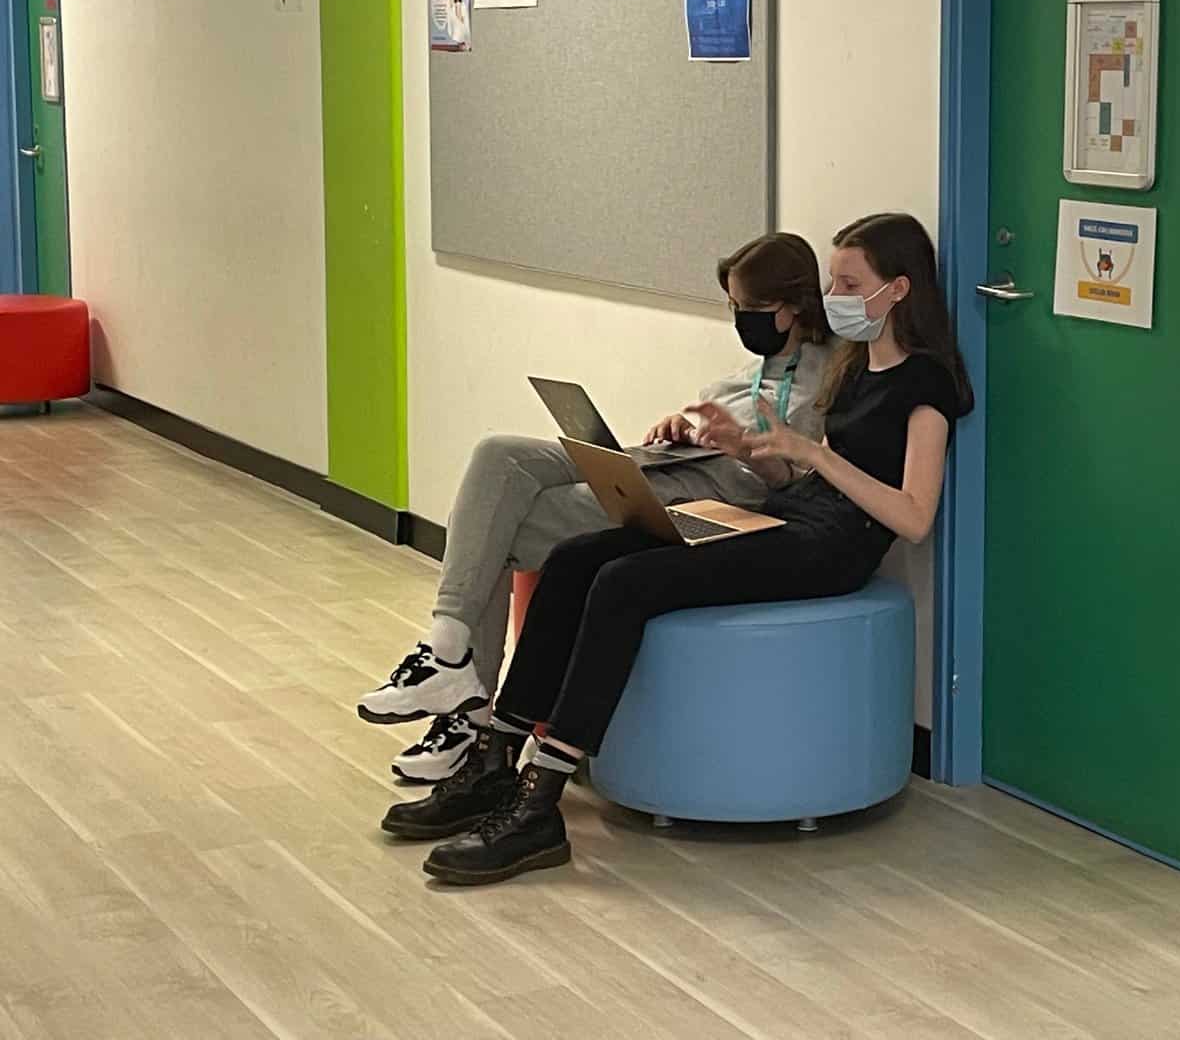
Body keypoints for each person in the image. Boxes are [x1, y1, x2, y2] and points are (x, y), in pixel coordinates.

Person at [386, 212, 972, 884]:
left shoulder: (926, 385)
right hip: (787, 514)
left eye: (849, 283)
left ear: (898, 289)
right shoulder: (854, 366)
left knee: (626, 583)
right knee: (578, 558)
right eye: (833, 280)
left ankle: (540, 799)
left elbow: (914, 516)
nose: (834, 296)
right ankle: (495, 757)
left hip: (832, 548)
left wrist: (815, 455)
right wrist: (759, 452)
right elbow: (800, 480)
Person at [356, 233, 835, 783]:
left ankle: (469, 718)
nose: (739, 319)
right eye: (732, 306)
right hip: (665, 463)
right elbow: (711, 423)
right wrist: (680, 427)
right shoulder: (745, 372)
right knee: (498, 454)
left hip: (713, 500)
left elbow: (804, 486)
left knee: (498, 530)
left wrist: (742, 447)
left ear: (792, 305)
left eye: (749, 308)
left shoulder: (830, 380)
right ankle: (446, 648)